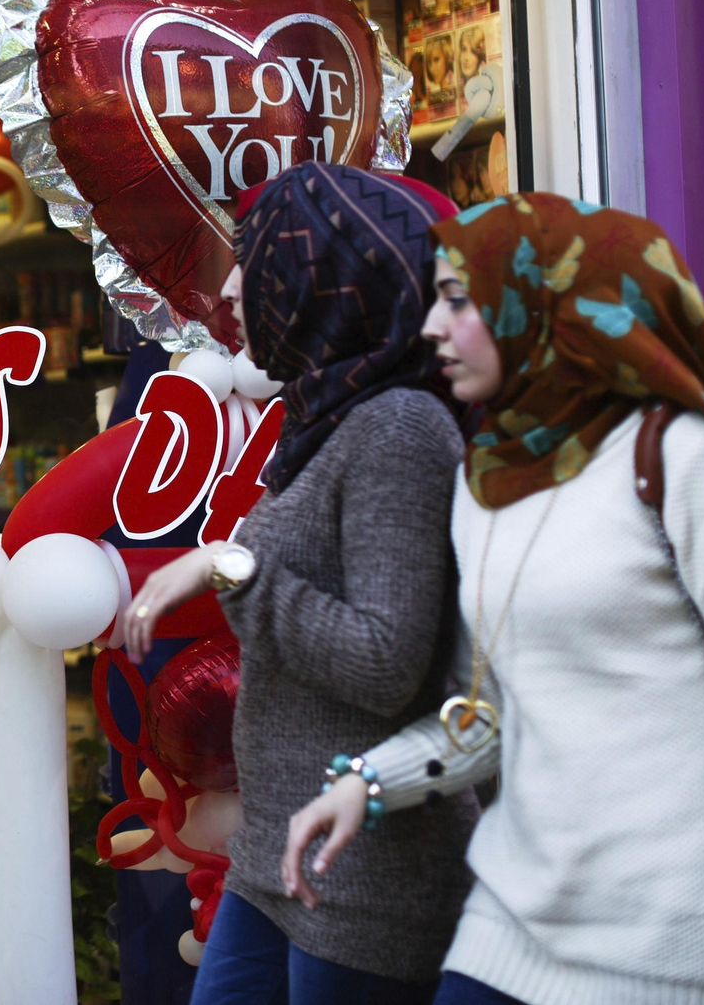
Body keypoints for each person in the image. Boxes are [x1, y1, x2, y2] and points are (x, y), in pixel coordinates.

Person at [282, 194, 704, 1005]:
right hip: (508, 929)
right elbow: (485, 710)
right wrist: (367, 782)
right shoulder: (487, 479)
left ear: (544, 300)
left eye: (459, 298)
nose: (430, 328)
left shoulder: (677, 458)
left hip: (671, 952)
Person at [121, 163, 475, 1004]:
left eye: (258, 258)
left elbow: (386, 659)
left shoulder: (397, 426)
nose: (235, 286)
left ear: (328, 276)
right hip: (274, 858)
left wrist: (232, 568)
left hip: (363, 876)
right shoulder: (324, 419)